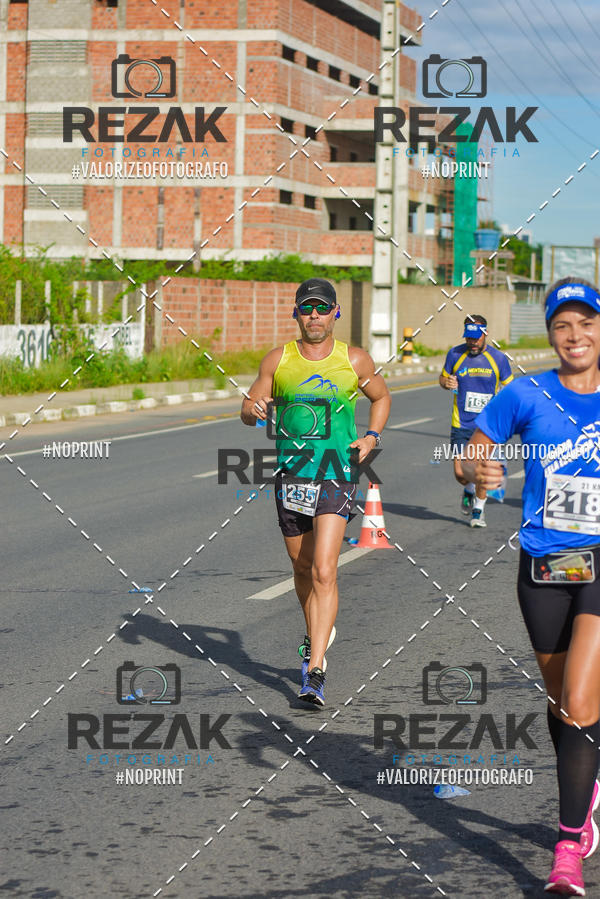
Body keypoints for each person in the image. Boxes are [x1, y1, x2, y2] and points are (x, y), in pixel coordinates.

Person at [462, 277, 600, 895]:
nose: (576, 336)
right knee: (563, 702)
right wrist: (477, 467)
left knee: (577, 701)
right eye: (563, 326)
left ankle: (568, 845)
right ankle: (587, 771)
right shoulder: (527, 391)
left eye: (587, 323)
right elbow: (473, 451)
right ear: (550, 334)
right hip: (545, 565)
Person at [240, 278, 391, 707]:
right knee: (302, 569)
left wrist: (372, 437)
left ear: (335, 313)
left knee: (325, 570)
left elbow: (381, 397)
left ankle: (316, 669)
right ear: (296, 314)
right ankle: (313, 634)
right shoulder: (278, 360)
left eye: (322, 309)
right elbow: (248, 411)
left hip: (336, 473)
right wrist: (253, 409)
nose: (314, 316)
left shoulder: (354, 359)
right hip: (292, 476)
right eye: (306, 308)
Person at [439, 315, 513, 527]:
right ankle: (468, 489)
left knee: (480, 469)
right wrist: (447, 382)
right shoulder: (455, 354)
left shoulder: (498, 359)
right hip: (461, 424)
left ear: (485, 334)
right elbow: (442, 378)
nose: (472, 342)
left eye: (476, 338)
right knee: (461, 473)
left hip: (486, 427)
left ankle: (478, 512)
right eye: (469, 338)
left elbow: (510, 387)